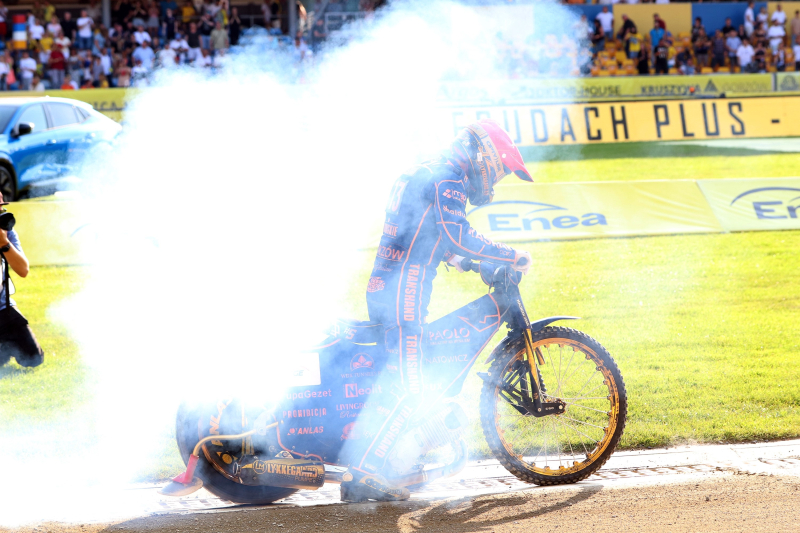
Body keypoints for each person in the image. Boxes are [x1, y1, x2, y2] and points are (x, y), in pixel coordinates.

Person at [340, 120, 533, 503]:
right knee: (412, 388)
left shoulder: (429, 169)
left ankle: (381, 464)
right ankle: (365, 475)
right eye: (499, 170)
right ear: (485, 156)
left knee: (404, 380)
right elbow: (456, 233)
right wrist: (512, 255)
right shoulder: (449, 180)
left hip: (389, 287)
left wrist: (467, 263)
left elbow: (425, 234)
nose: (495, 180)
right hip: (404, 294)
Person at [0, 193, 43, 369]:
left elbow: (23, 270)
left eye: (1, 208)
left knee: (34, 357)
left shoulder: (6, 232)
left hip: (3, 308)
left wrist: (4, 244)